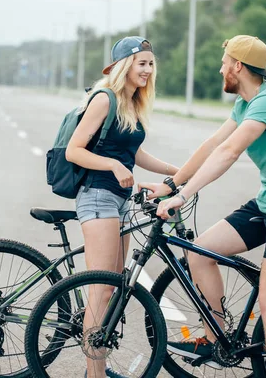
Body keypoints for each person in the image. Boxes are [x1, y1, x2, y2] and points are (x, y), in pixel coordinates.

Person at [140, 35, 266, 378]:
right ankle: (214, 338)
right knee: (199, 251)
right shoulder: (245, 104)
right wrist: (171, 184)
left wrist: (182, 197)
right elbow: (213, 144)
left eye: (225, 61)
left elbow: (229, 152)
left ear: (238, 66)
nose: (221, 67)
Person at [65, 36, 179, 378]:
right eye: (141, 63)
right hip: (98, 196)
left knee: (114, 285)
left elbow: (134, 154)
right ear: (123, 67)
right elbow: (75, 150)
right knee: (99, 290)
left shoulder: (131, 103)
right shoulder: (105, 98)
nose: (147, 69)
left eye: (150, 63)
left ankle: (96, 363)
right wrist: (113, 167)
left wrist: (178, 172)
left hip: (120, 200)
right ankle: (95, 374)